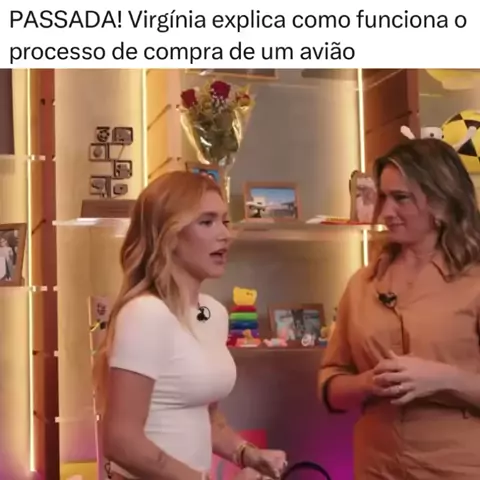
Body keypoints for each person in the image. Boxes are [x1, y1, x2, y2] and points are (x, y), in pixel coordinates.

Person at [94, 171, 287, 480]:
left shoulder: (212, 313)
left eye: (225, 221)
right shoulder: (145, 314)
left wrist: (247, 453)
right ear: (168, 235)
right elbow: (121, 441)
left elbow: (206, 417)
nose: (225, 234)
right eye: (206, 222)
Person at [319, 138, 480, 479]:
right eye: (383, 197)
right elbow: (331, 385)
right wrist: (367, 383)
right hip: (376, 466)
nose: (385, 212)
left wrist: (443, 378)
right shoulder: (362, 284)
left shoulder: (475, 281)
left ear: (441, 203)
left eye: (401, 198)